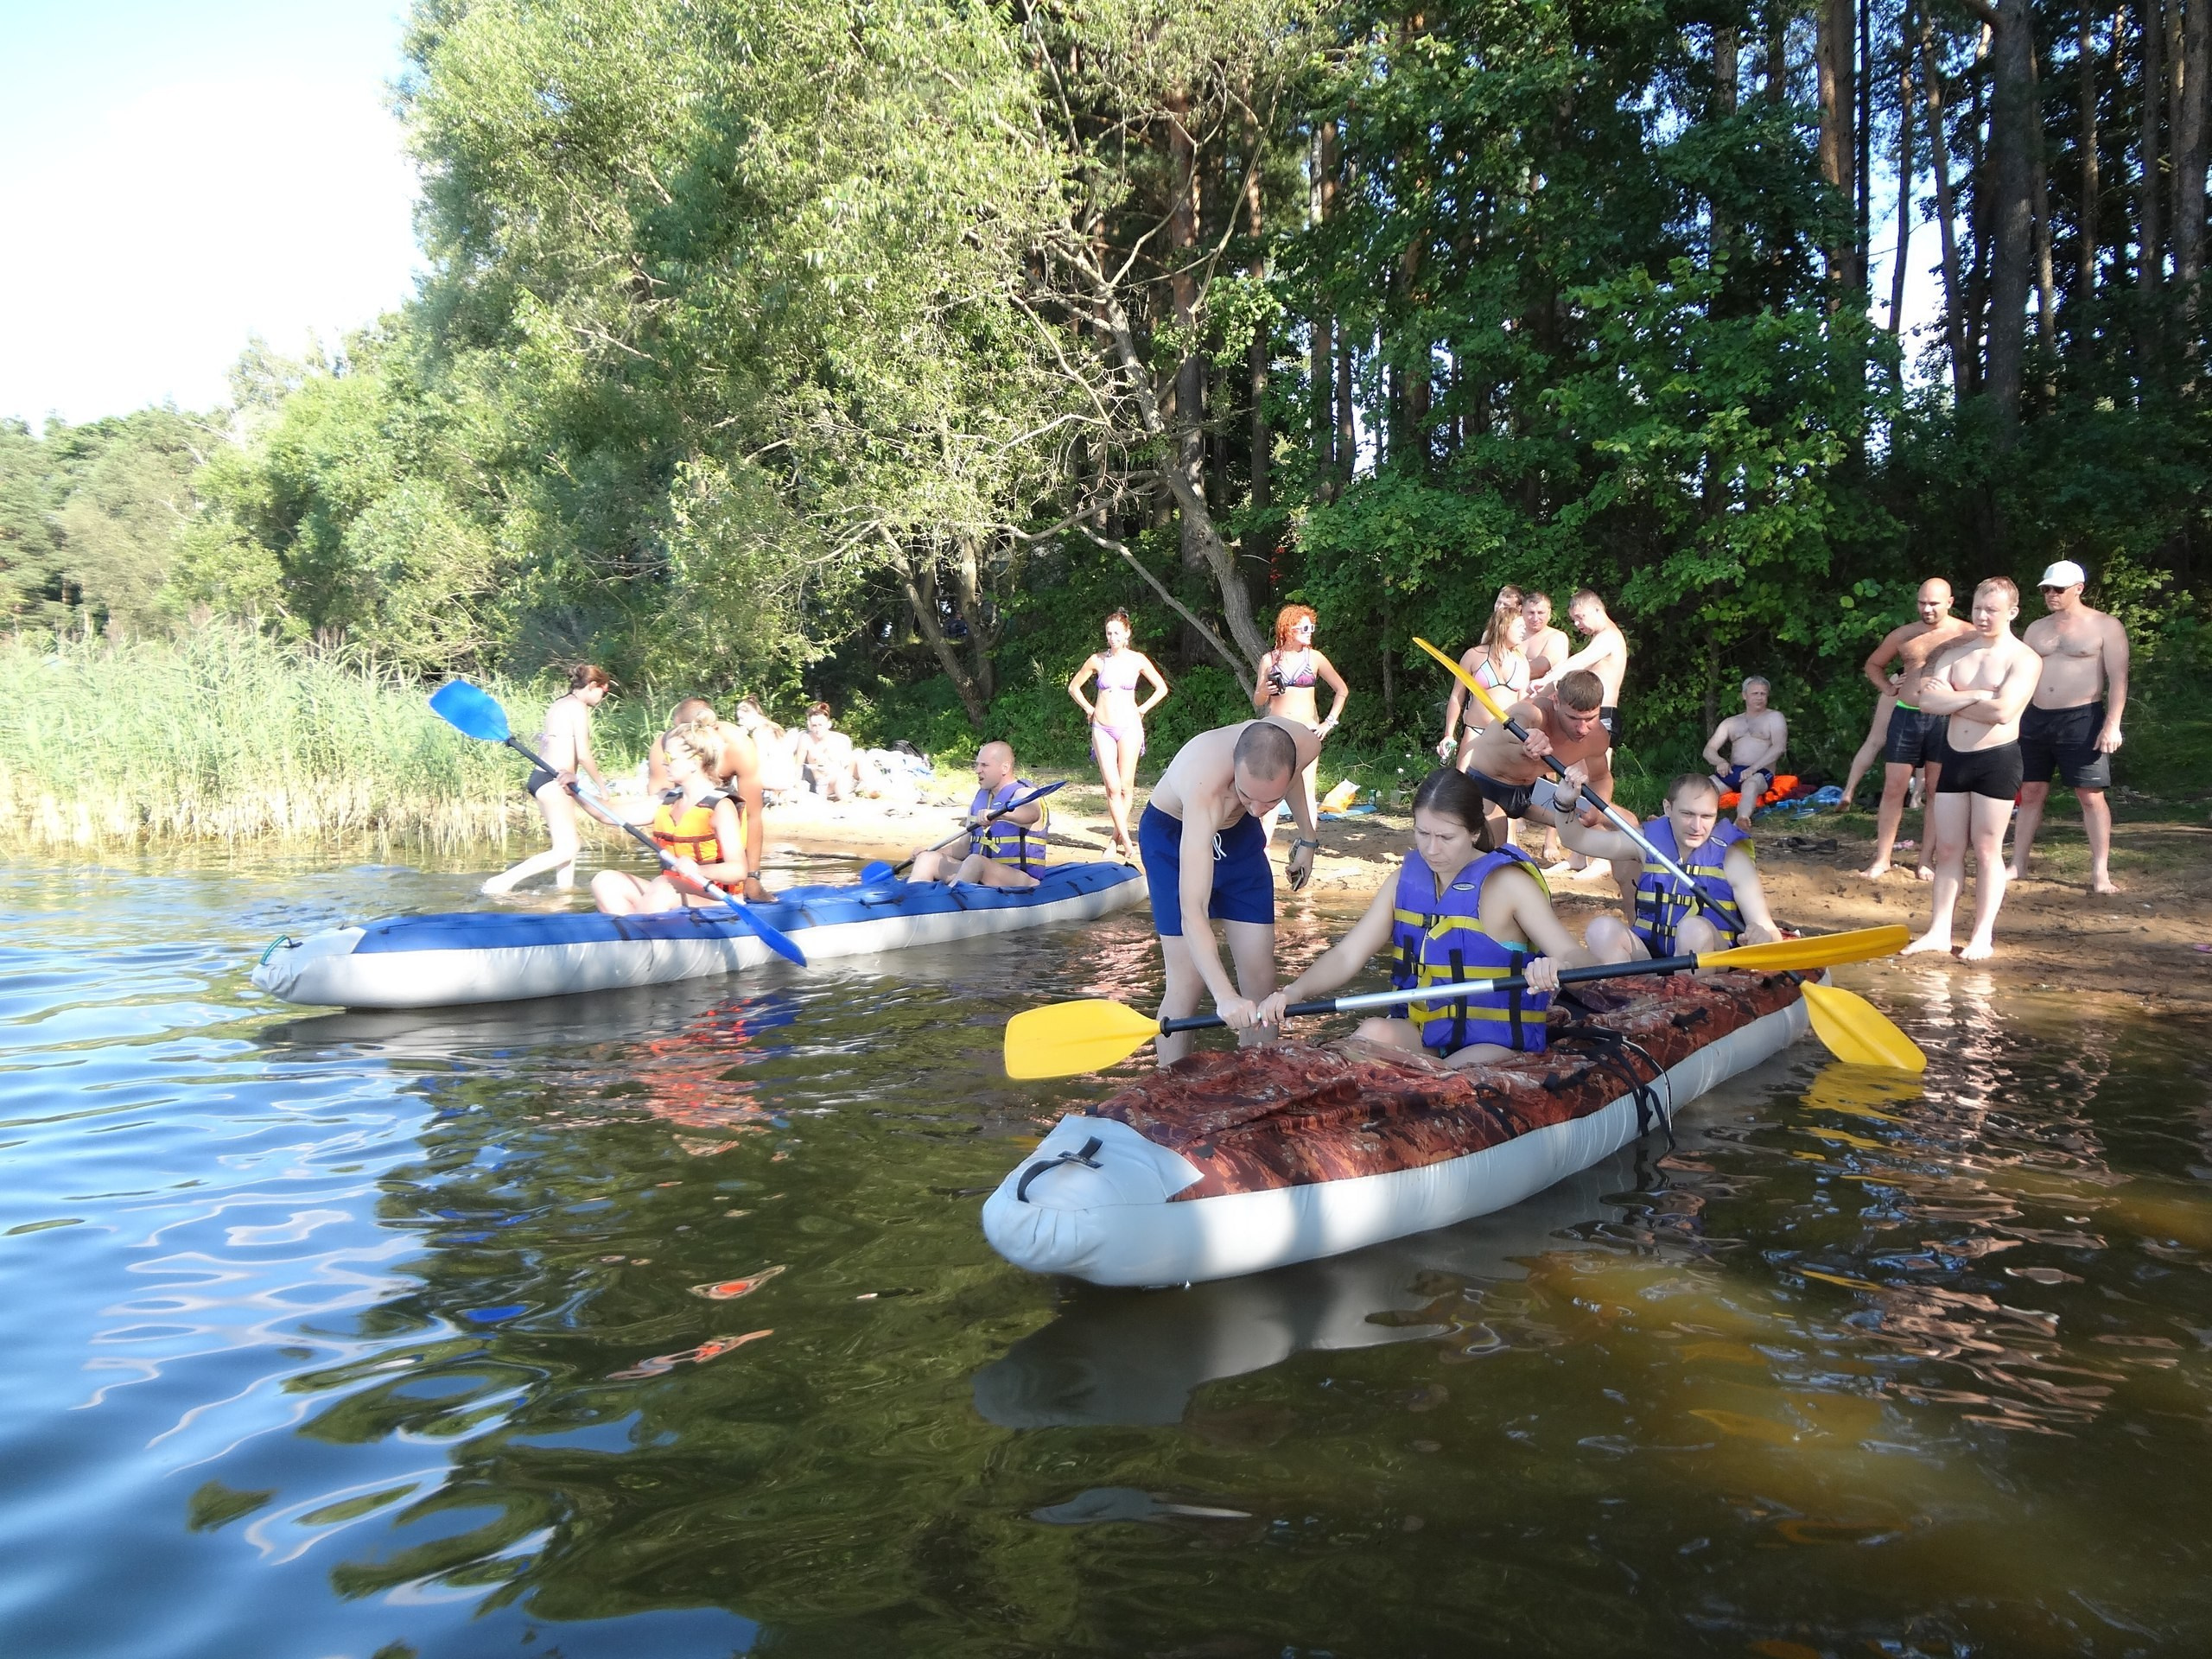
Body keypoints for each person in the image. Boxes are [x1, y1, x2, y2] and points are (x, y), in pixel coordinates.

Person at [1255, 768, 1590, 1067]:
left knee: (1448, 1077)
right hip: (1425, 1033)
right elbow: (1347, 954)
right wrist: (1294, 993)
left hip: (1493, 1041)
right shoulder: (1402, 883)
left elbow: (1578, 959)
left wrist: (1556, 967)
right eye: (1422, 833)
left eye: (1446, 837)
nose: (1431, 849)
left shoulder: (1509, 885)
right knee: (1370, 1033)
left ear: (1474, 832)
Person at [1140, 715, 1325, 1065]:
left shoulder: (1304, 744)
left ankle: (1259, 1081)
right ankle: (1170, 1086)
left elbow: (1294, 776)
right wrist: (1224, 997)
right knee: (1189, 982)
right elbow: (1192, 910)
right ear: (1234, 772)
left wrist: (1308, 838)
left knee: (1261, 979)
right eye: (1246, 795)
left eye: (1269, 803)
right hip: (1174, 833)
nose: (1256, 809)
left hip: (1238, 836)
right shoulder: (1205, 785)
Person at [1903, 578, 2043, 961]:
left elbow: (2003, 713)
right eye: (1978, 608)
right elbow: (1925, 700)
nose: (1982, 616)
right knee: (1948, 848)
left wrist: (1953, 700)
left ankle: (1982, 936)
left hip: (1997, 760)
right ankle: (1938, 931)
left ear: (2012, 613)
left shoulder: (2024, 658)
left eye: (1991, 610)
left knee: (1986, 849)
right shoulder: (1956, 653)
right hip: (1955, 757)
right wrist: (1977, 695)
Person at [1563, 772, 1783, 963]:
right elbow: (1577, 840)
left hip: (1710, 963)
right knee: (1601, 930)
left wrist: (1762, 936)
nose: (1697, 827)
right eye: (1687, 814)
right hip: (1651, 958)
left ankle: (1687, 1004)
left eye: (1707, 816)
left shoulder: (1733, 859)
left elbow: (1770, 931)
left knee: (1693, 930)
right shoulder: (1646, 842)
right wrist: (1564, 805)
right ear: (1668, 808)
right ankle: (1625, 1001)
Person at [2009, 559, 2130, 893]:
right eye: (2046, 589)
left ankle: (2100, 872)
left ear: (2078, 589)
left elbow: (2119, 678)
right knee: (2031, 792)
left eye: (2058, 589)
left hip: (2081, 718)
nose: (2051, 594)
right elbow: (2018, 672)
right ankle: (2018, 863)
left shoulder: (2105, 626)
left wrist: (2112, 724)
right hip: (2035, 717)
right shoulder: (2036, 628)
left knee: (2090, 795)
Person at [1454, 669, 1632, 895]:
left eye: (1590, 718)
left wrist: (1598, 808)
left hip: (1532, 792)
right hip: (1486, 786)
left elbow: (1601, 777)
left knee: (1626, 822)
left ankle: (1637, 909)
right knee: (1492, 855)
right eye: (1573, 718)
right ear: (1556, 701)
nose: (1582, 728)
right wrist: (1529, 734)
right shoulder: (1535, 713)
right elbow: (1518, 720)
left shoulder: (1596, 736)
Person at [1856, 580, 1974, 880]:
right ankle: (1882, 858)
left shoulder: (1967, 633)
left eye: (1934, 603)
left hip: (1944, 717)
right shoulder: (1905, 634)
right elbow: (1873, 664)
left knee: (1936, 790)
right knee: (1894, 787)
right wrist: (1888, 687)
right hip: (1907, 715)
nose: (1927, 609)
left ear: (1949, 602)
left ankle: (1925, 860)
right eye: (1922, 602)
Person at [481, 664, 614, 895]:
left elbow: (545, 741)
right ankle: (501, 882)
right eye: (604, 692)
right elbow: (583, 754)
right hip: (555, 781)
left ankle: (565, 893)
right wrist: (603, 789)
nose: (603, 698)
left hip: (541, 778)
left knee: (565, 845)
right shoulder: (577, 708)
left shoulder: (559, 704)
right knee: (569, 847)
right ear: (593, 686)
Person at [590, 728, 753, 916]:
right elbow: (608, 814)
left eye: (670, 756)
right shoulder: (666, 800)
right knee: (606, 881)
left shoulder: (721, 807)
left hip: (717, 900)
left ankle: (637, 935)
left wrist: (699, 870)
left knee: (663, 886)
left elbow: (738, 870)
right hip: (673, 893)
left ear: (694, 762)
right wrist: (573, 790)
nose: (663, 762)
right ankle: (631, 936)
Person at [1068, 611, 1169, 859]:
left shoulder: (1138, 660)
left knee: (1125, 786)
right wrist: (1088, 708)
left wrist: (1143, 708)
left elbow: (1162, 688)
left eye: (1116, 633)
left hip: (1129, 727)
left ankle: (1115, 839)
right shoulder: (1097, 660)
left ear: (1127, 634)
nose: (1112, 638)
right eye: (1108, 633)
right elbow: (1073, 687)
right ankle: (1126, 840)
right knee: (1112, 787)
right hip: (1102, 726)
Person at [645, 698, 769, 898]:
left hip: (723, 813)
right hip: (684, 863)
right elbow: (661, 814)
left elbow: (753, 815)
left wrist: (752, 878)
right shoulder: (663, 748)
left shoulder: (738, 745)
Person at [1253, 604, 1350, 845]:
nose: (1310, 632)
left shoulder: (1315, 658)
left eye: (1311, 627)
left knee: (1307, 789)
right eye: (1304, 628)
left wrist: (1329, 722)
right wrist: (1264, 690)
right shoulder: (1270, 659)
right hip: (1276, 730)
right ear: (1288, 629)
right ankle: (1262, 848)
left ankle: (1308, 843)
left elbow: (1342, 690)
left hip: (1307, 732)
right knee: (1271, 789)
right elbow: (1258, 699)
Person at [906, 741, 1048, 890]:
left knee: (975, 861)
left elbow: (1032, 814)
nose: (977, 770)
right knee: (927, 859)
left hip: (1019, 878)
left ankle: (945, 899)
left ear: (1004, 768)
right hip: (980, 871)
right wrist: (929, 852)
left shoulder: (1024, 793)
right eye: (977, 765)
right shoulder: (982, 798)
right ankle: (914, 899)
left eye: (984, 765)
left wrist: (1000, 816)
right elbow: (964, 846)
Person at [1436, 592, 1530, 768]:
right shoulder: (1474, 655)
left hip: (1506, 737)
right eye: (1519, 627)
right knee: (1462, 785)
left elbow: (1523, 703)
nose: (1524, 631)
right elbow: (1457, 697)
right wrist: (1449, 734)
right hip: (1476, 732)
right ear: (1504, 627)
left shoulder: (1522, 660)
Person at [1531, 590, 1628, 747]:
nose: (1576, 624)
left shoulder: (1609, 636)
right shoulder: (1600, 637)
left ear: (1597, 610)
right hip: (1592, 713)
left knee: (1594, 769)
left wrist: (1546, 679)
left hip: (1601, 715)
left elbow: (1579, 661)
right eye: (1573, 619)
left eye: (1580, 617)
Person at [1703, 677, 1789, 829]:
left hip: (1761, 772)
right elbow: (1709, 750)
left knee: (1751, 784)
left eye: (1763, 694)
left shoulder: (1774, 717)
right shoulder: (1731, 722)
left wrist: (1753, 768)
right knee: (1704, 787)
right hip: (1734, 770)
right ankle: (1668, 817)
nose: (1760, 697)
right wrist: (1720, 762)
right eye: (1755, 693)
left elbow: (1779, 747)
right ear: (1744, 695)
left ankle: (1742, 818)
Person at [1839, 676, 1899, 810]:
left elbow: (1873, 664)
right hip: (1923, 682)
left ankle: (1848, 791)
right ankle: (1916, 799)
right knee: (1924, 740)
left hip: (1899, 678)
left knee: (1874, 741)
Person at [734, 698, 801, 803]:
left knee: (737, 778)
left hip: (777, 780)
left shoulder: (759, 732)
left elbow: (760, 761)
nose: (740, 722)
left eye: (742, 718)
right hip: (789, 778)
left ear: (753, 714)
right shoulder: (774, 726)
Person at [796, 702, 862, 800]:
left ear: (828, 724)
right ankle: (846, 799)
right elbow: (797, 767)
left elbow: (846, 764)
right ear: (810, 726)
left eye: (820, 725)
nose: (817, 729)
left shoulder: (838, 740)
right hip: (824, 784)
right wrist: (797, 786)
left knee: (859, 753)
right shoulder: (806, 739)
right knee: (839, 775)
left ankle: (873, 788)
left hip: (842, 778)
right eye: (814, 725)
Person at [1522, 591, 1571, 685]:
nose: (1535, 618)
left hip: (1541, 697)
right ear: (1521, 611)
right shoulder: (1513, 635)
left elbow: (1540, 668)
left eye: (1541, 613)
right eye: (1531, 612)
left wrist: (1504, 672)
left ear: (1549, 614)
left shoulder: (1557, 637)